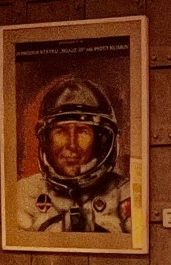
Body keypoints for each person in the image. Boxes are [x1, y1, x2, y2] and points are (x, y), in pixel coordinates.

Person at [16, 74, 132, 234]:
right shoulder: (25, 194)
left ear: (101, 140)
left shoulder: (125, 194)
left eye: (82, 131)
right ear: (46, 139)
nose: (72, 145)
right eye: (60, 131)